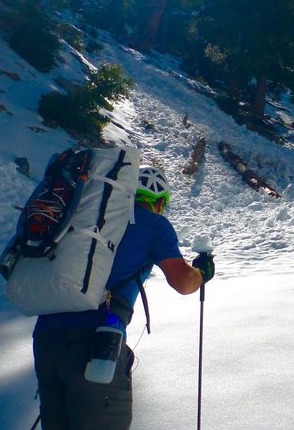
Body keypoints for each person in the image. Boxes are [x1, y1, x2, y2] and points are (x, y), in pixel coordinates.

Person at [32, 165, 215, 430]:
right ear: (160, 202)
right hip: (95, 344)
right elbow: (183, 282)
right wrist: (202, 272)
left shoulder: (85, 217)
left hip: (47, 340)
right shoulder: (153, 224)